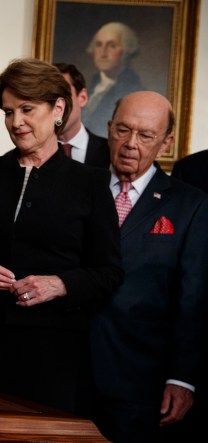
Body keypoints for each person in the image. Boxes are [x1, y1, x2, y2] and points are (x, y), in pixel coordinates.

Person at [0, 58, 123, 415]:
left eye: (26, 109)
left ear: (58, 109)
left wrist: (60, 284)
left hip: (53, 356)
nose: (16, 122)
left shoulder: (90, 183)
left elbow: (109, 272)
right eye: (8, 112)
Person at [90, 91, 208, 443]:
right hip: (69, 372)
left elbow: (193, 298)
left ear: (166, 142)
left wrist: (182, 378)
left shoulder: (191, 205)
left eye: (145, 135)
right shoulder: (81, 188)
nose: (130, 144)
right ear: (109, 129)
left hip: (140, 382)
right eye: (123, 130)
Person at [83, 22, 144, 136]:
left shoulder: (135, 91)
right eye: (99, 45)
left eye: (112, 45)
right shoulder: (87, 86)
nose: (103, 53)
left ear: (126, 51)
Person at [53, 62, 109, 168]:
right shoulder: (31, 152)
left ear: (82, 98)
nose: (56, 105)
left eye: (63, 96)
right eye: (48, 97)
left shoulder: (110, 152)